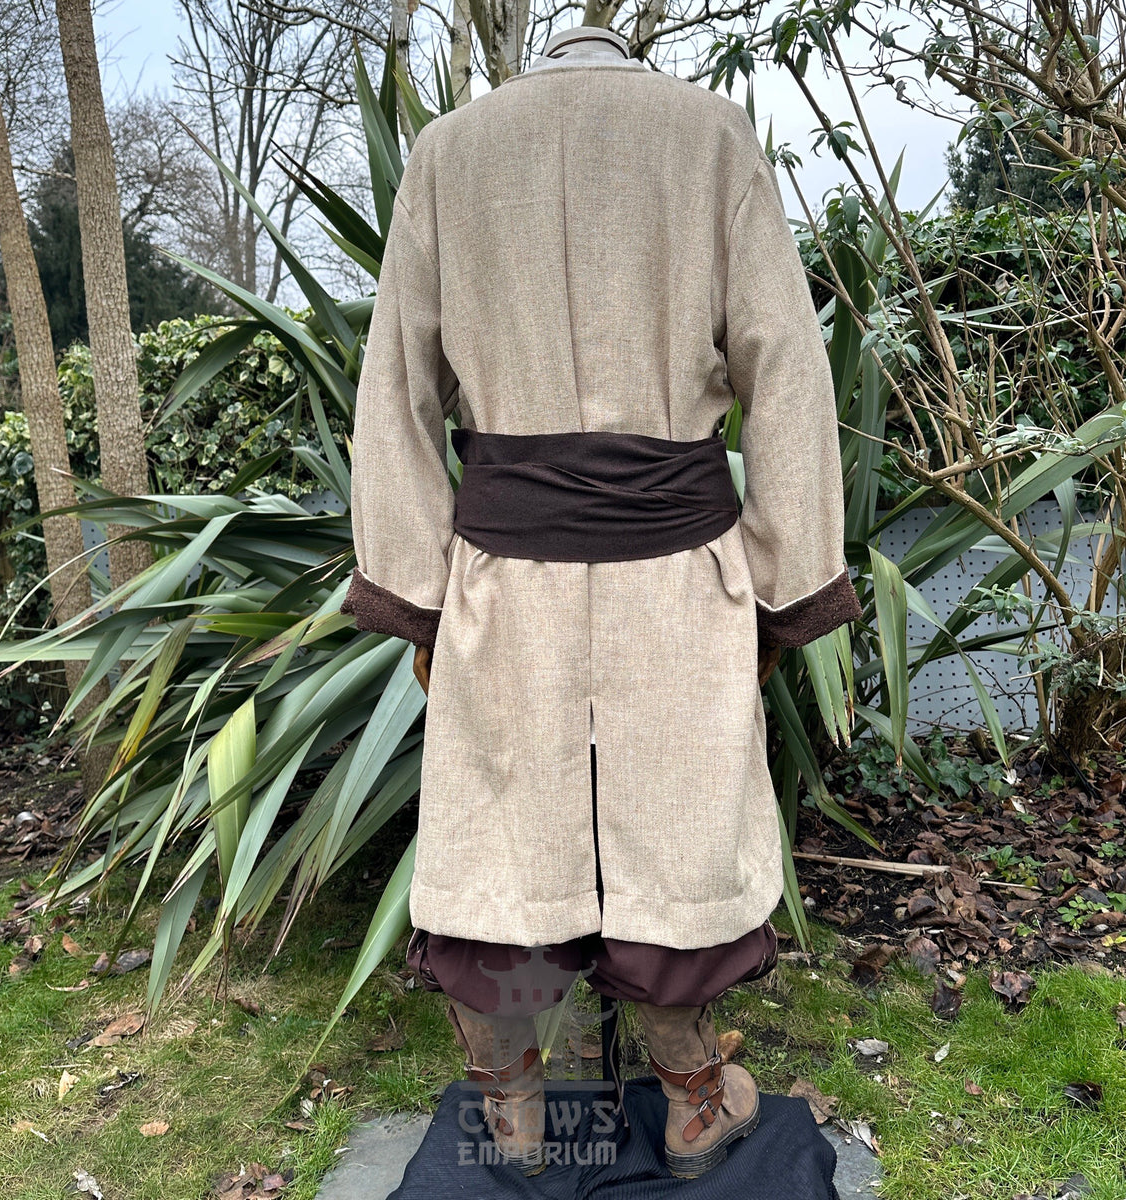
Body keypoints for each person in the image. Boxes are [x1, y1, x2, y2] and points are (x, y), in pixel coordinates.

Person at [341, 21, 861, 1179]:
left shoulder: (450, 150)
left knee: (501, 835)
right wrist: (783, 585)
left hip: (504, 575)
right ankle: (692, 1102)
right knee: (676, 833)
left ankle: (513, 1107)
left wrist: (420, 596)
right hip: (674, 578)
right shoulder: (712, 136)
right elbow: (784, 367)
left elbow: (395, 388)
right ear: (626, 46)